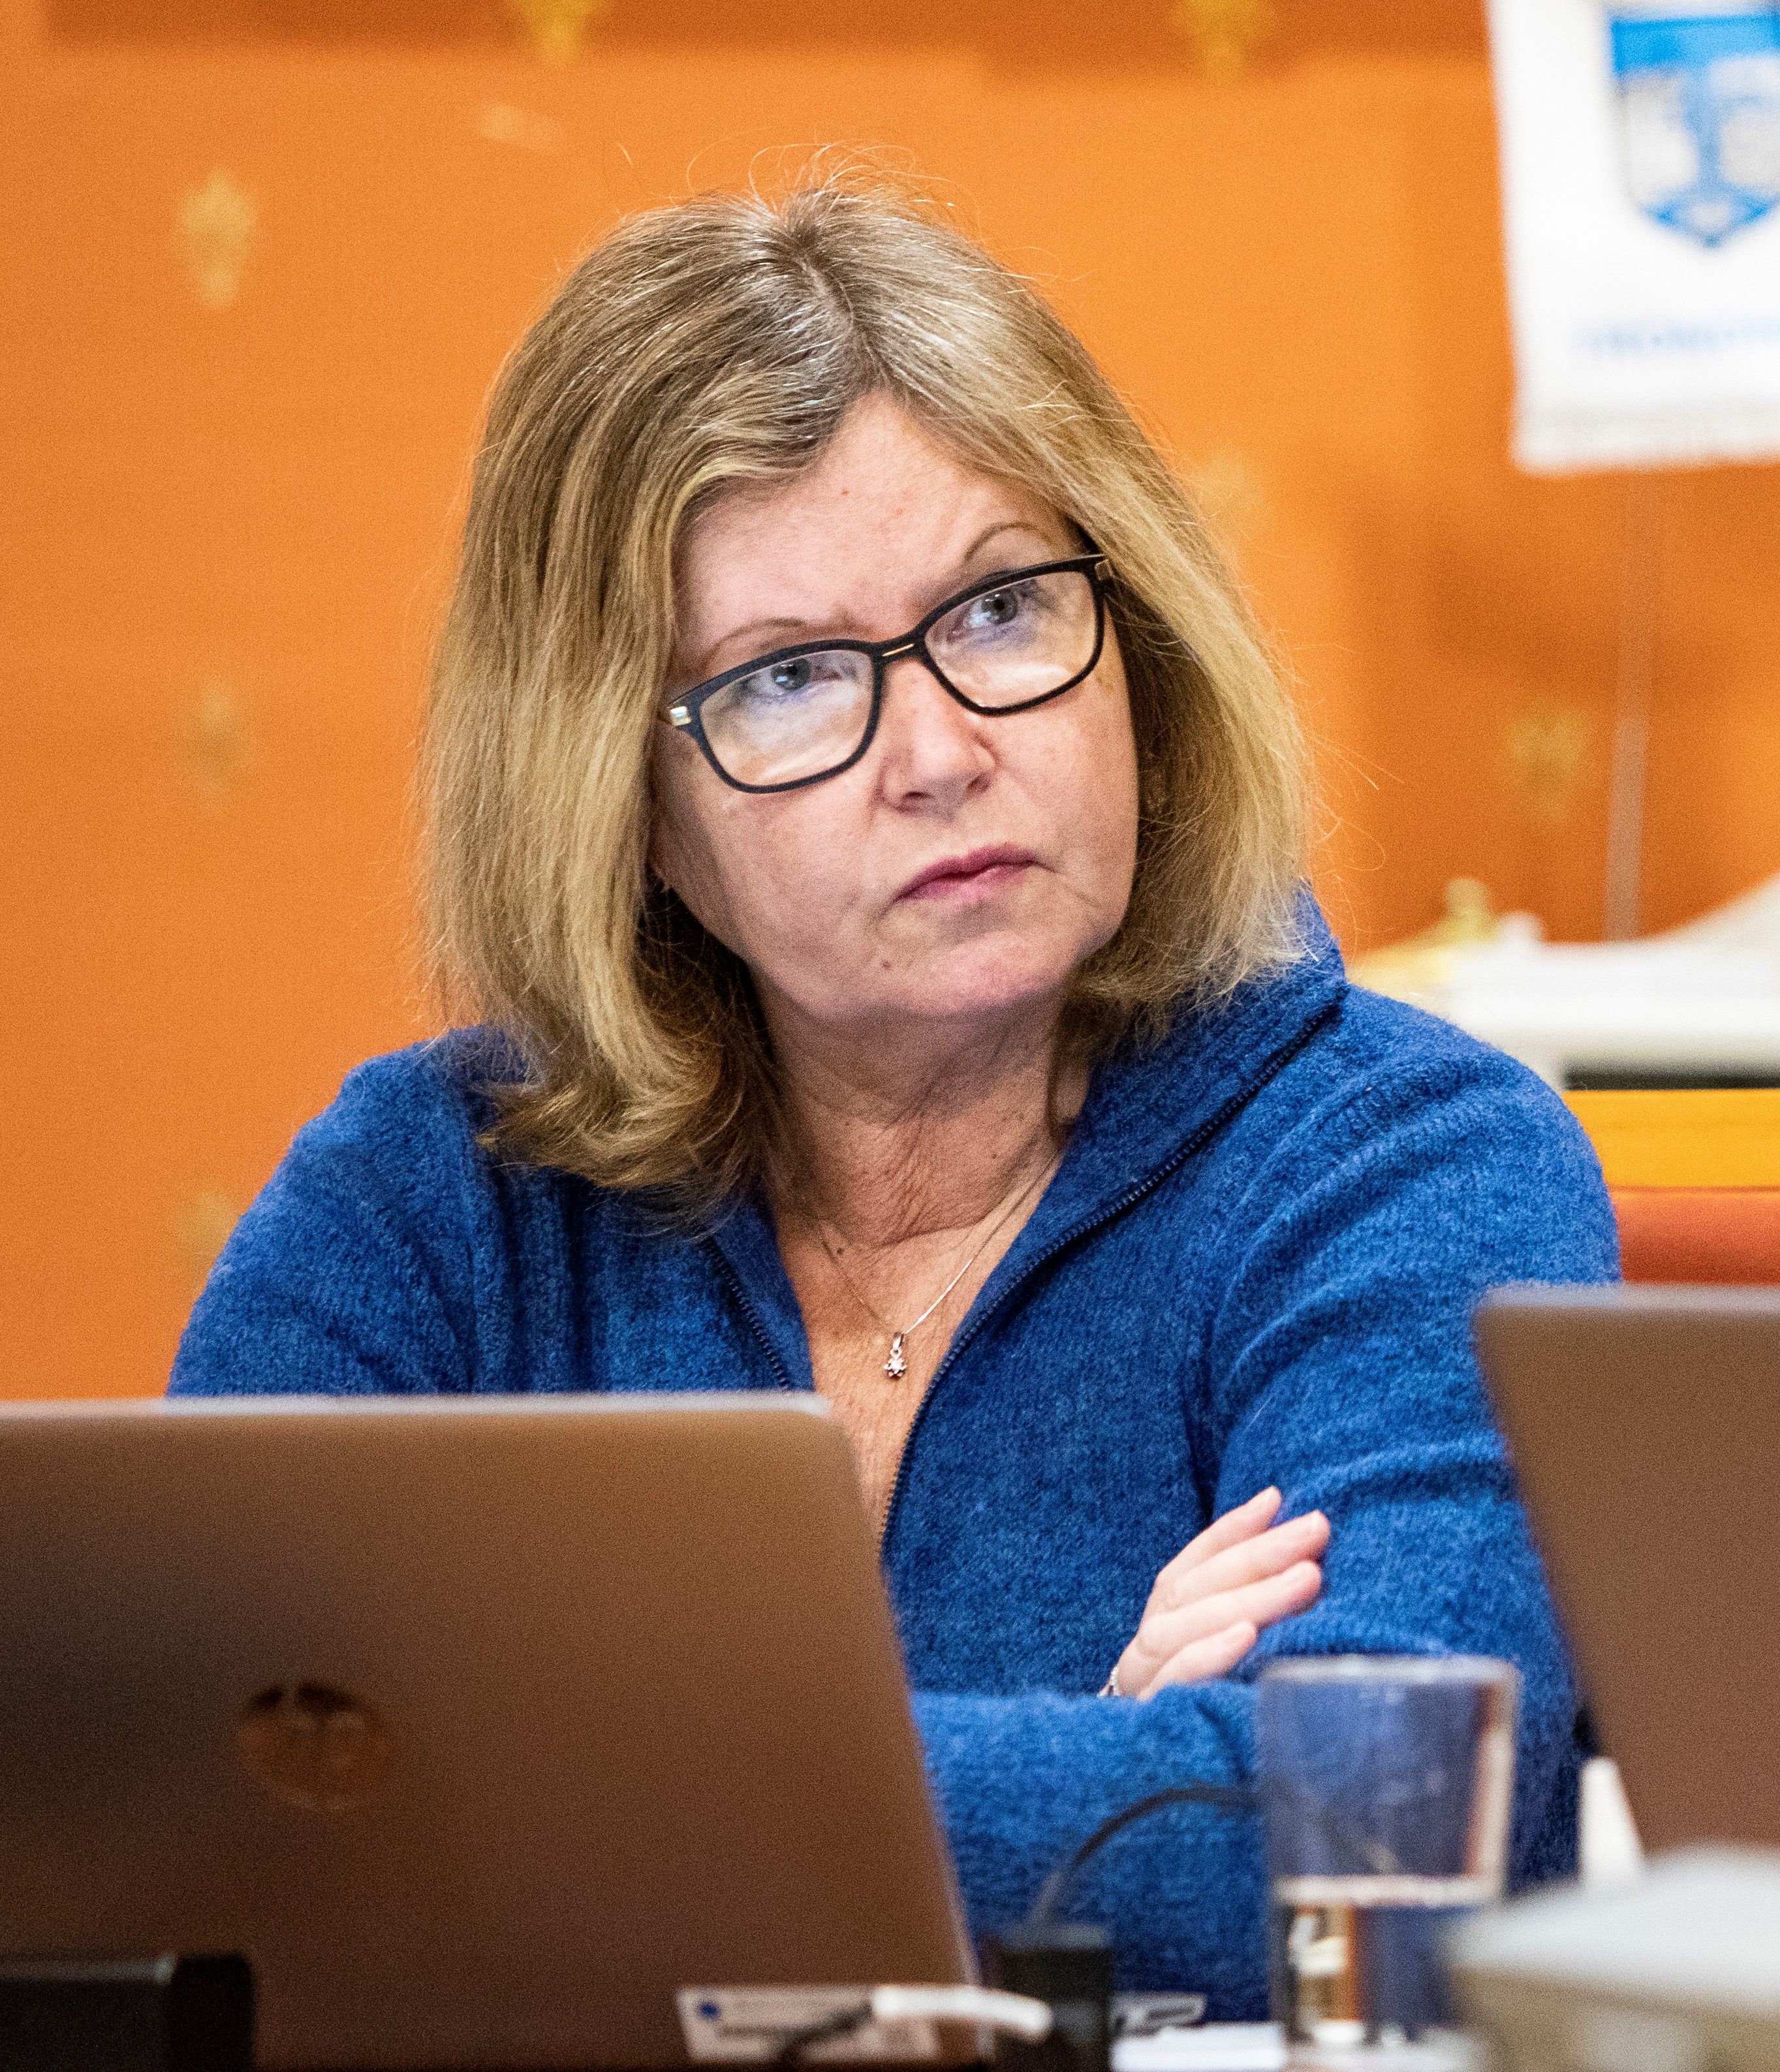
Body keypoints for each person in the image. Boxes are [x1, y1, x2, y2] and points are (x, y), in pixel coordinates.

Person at [170, 172, 1616, 2008]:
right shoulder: (434, 1200)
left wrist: (531, 1774)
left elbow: (1366, 1847)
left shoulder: (1410, 1164)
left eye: (1001, 609)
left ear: (1141, 651)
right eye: (786, 679)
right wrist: (1099, 1744)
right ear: (620, 802)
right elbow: (195, 1820)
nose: (937, 752)